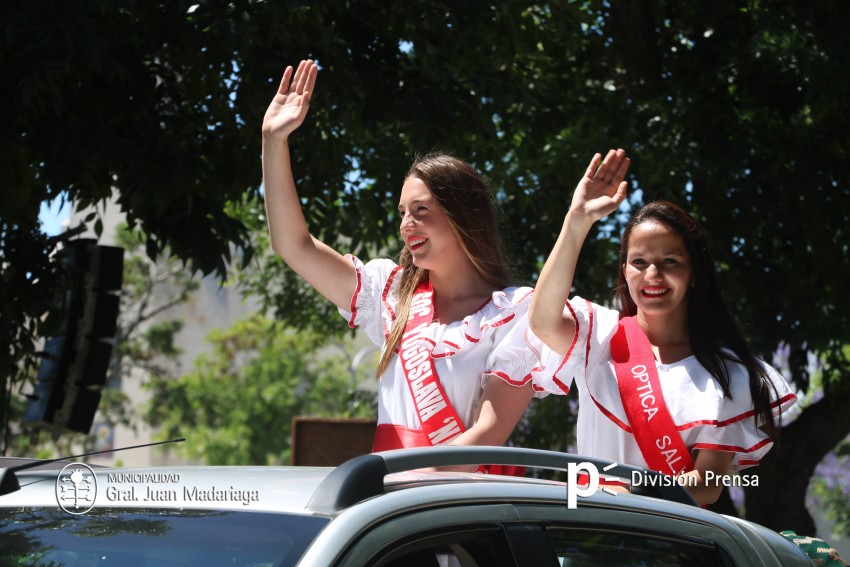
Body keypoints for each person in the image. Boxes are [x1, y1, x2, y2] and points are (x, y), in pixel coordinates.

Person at [262, 60, 535, 463]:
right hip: (395, 504)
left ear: (464, 215)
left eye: (421, 210)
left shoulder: (514, 313)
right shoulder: (390, 294)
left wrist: (399, 487)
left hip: (460, 508)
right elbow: (293, 245)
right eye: (402, 212)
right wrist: (273, 140)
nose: (407, 225)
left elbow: (485, 436)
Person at [527, 149, 797, 505]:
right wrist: (577, 221)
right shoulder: (599, 335)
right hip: (590, 536)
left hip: (666, 548)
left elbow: (708, 484)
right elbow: (543, 320)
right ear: (624, 271)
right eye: (639, 262)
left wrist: (627, 492)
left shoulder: (730, 374)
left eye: (669, 261)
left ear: (695, 272)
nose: (652, 275)